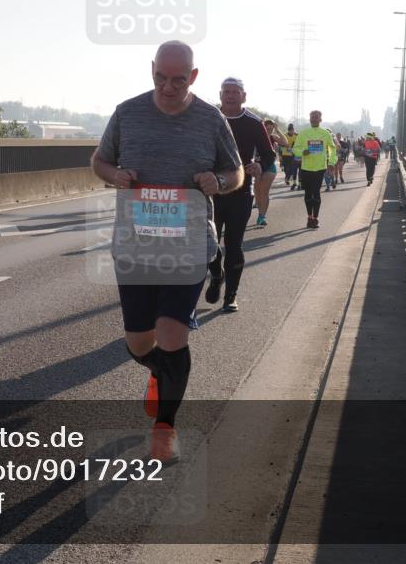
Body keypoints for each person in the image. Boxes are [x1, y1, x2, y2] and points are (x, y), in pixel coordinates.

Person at [92, 41, 243, 463]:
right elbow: (99, 161)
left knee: (173, 334)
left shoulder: (210, 119)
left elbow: (235, 171)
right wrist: (115, 175)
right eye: (160, 77)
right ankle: (159, 371)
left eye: (178, 80)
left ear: (193, 76)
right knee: (139, 343)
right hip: (135, 247)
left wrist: (219, 182)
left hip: (189, 246)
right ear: (152, 70)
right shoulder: (127, 113)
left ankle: (165, 428)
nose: (168, 87)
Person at [208, 78, 275, 310]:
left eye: (235, 92)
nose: (230, 95)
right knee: (209, 243)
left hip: (241, 191)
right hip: (211, 191)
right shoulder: (209, 118)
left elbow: (269, 154)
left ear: (244, 96)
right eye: (226, 91)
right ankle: (217, 275)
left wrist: (259, 165)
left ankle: (231, 296)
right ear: (220, 95)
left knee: (234, 244)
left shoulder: (254, 123)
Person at [292, 110, 337, 229]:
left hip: (320, 167)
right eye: (312, 117)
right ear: (310, 119)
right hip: (306, 168)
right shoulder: (303, 133)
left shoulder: (325, 134)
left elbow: (332, 149)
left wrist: (331, 162)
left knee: (316, 192)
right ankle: (309, 217)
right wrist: (302, 152)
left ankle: (315, 218)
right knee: (308, 193)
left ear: (320, 119)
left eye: (316, 117)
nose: (314, 119)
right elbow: (295, 148)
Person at [254, 119, 287, 227]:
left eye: (271, 129)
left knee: (264, 192)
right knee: (257, 193)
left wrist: (278, 129)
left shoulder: (273, 137)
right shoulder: (256, 136)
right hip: (256, 167)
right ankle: (260, 212)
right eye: (267, 128)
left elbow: (285, 143)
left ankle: (262, 216)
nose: (269, 131)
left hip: (269, 167)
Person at [280, 123, 298, 189]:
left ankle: (287, 178)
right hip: (285, 154)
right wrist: (284, 149)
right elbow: (281, 145)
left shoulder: (296, 135)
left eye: (292, 130)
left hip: (292, 155)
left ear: (293, 130)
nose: (291, 132)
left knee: (291, 168)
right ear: (288, 130)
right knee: (285, 168)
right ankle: (287, 176)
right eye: (290, 130)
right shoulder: (284, 136)